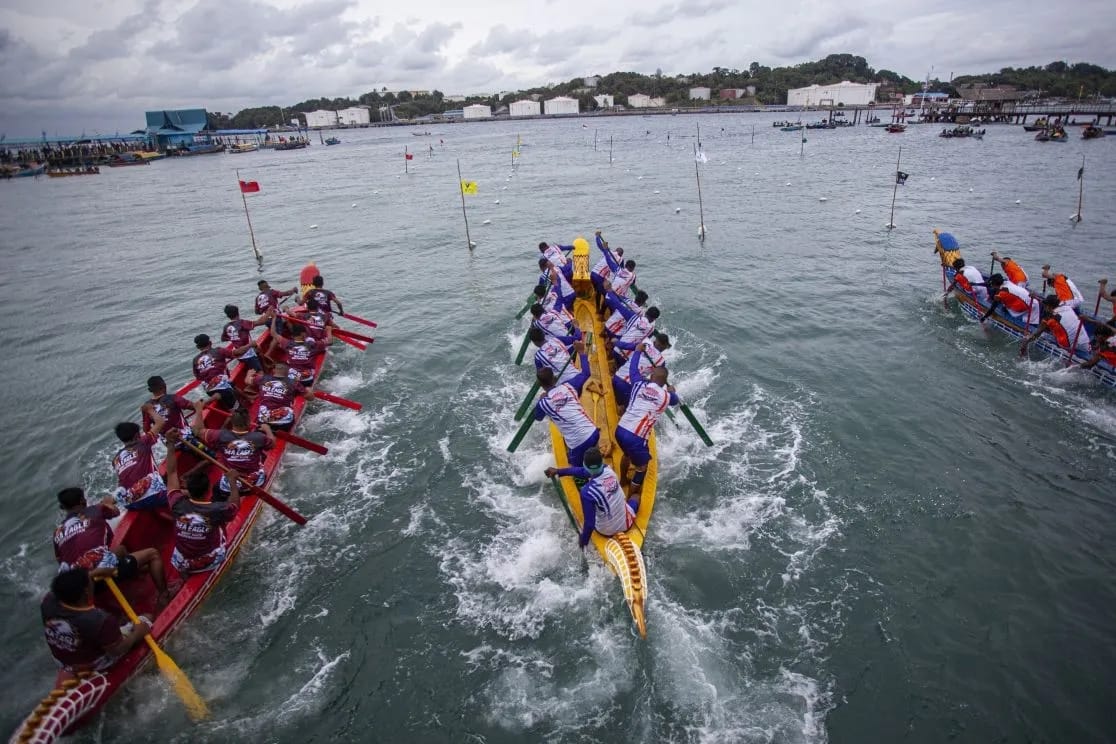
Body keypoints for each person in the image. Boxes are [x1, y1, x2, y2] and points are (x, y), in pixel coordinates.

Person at [52, 487, 171, 605]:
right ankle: (164, 595)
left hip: (79, 586)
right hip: (104, 574)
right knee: (153, 554)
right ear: (83, 501)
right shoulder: (96, 509)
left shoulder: (57, 532)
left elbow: (60, 560)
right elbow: (115, 511)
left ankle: (136, 573)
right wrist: (107, 503)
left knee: (121, 550)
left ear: (63, 508)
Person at [40, 568, 150, 675]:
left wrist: (95, 572)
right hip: (95, 665)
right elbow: (117, 650)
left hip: (62, 662)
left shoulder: (47, 602)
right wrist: (137, 633)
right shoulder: (99, 619)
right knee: (147, 617)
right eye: (90, 581)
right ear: (86, 592)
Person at [613, 345, 678, 498]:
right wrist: (672, 391)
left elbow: (633, 369)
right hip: (636, 437)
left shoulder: (638, 384)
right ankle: (632, 494)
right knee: (642, 466)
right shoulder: (666, 396)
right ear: (664, 383)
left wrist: (637, 351)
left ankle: (623, 480)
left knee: (626, 455)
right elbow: (675, 401)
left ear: (650, 377)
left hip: (620, 429)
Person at [167, 442, 240, 574]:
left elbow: (171, 473)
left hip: (181, 563)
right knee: (224, 518)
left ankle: (183, 573)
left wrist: (170, 446)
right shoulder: (217, 509)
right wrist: (233, 483)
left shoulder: (175, 501)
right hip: (210, 561)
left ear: (187, 490)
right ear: (208, 491)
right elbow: (234, 506)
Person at [545, 447, 636, 547]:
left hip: (605, 531)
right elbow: (582, 472)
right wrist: (559, 471)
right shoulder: (608, 469)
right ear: (601, 463)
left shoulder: (587, 492)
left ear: (585, 465)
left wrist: (583, 541)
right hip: (626, 525)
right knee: (636, 497)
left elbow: (589, 524)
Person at [533, 348, 600, 468]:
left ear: (541, 385)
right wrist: (582, 353)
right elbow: (586, 373)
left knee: (574, 468)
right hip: (594, 433)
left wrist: (541, 399)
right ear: (554, 379)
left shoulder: (543, 403)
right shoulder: (569, 386)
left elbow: (537, 417)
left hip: (578, 443)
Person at [192, 409, 274, 500]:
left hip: (228, 488)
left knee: (216, 489)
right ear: (248, 422)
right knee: (262, 457)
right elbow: (272, 444)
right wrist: (267, 429)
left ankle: (216, 505)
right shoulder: (259, 437)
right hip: (254, 484)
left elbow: (197, 430)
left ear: (231, 421)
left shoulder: (219, 435)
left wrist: (198, 409)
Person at [111, 422, 167, 510]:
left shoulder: (115, 459)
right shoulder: (143, 442)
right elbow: (160, 422)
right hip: (155, 495)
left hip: (131, 504)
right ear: (137, 435)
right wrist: (149, 409)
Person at [193, 333, 254, 410]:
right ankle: (215, 400)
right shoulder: (218, 351)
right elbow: (237, 353)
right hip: (222, 387)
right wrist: (250, 345)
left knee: (231, 384)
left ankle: (247, 397)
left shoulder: (195, 360)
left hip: (208, 389)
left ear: (198, 347)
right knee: (238, 410)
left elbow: (198, 377)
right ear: (210, 343)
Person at [247, 363, 312, 431]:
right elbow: (310, 398)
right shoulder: (294, 383)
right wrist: (308, 390)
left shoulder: (262, 378)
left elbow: (247, 381)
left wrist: (249, 374)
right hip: (285, 423)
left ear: (273, 370)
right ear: (287, 372)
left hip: (264, 421)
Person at [613, 332, 671, 407]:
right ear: (663, 347)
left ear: (657, 342)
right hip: (629, 389)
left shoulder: (644, 345)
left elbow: (625, 346)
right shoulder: (661, 362)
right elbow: (655, 381)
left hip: (616, 378)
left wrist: (615, 341)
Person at [1020, 295, 1091, 357]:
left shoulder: (1049, 318)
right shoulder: (1067, 307)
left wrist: (1025, 342)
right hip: (1086, 344)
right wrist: (1036, 297)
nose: (1044, 307)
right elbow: (1047, 304)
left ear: (1049, 306)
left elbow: (1036, 335)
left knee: (1043, 334)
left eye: (1045, 306)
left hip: (1070, 346)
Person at [142, 375, 205, 443]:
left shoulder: (146, 407)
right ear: (164, 385)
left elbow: (146, 429)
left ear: (150, 390)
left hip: (169, 442)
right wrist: (202, 403)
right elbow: (194, 407)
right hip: (185, 437)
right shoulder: (174, 398)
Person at [270, 316, 329, 385]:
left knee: (284, 368)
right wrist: (329, 331)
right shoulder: (312, 344)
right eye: (306, 333)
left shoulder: (287, 343)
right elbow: (329, 342)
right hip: (307, 379)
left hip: (292, 379)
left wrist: (274, 318)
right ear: (303, 334)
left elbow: (273, 333)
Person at [221, 305, 268, 372]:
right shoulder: (242, 323)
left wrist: (235, 337)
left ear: (228, 316)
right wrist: (268, 313)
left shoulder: (226, 327)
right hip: (248, 354)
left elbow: (224, 339)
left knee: (258, 349)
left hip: (238, 354)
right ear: (238, 313)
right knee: (260, 372)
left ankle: (264, 365)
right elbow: (261, 322)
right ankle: (263, 371)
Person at [590, 232, 624, 310]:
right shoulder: (621, 259)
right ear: (621, 255)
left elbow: (599, 245)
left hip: (593, 273)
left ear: (615, 250)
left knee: (598, 290)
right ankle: (598, 309)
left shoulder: (609, 252)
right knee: (605, 294)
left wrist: (597, 236)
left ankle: (595, 294)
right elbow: (622, 271)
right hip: (599, 277)